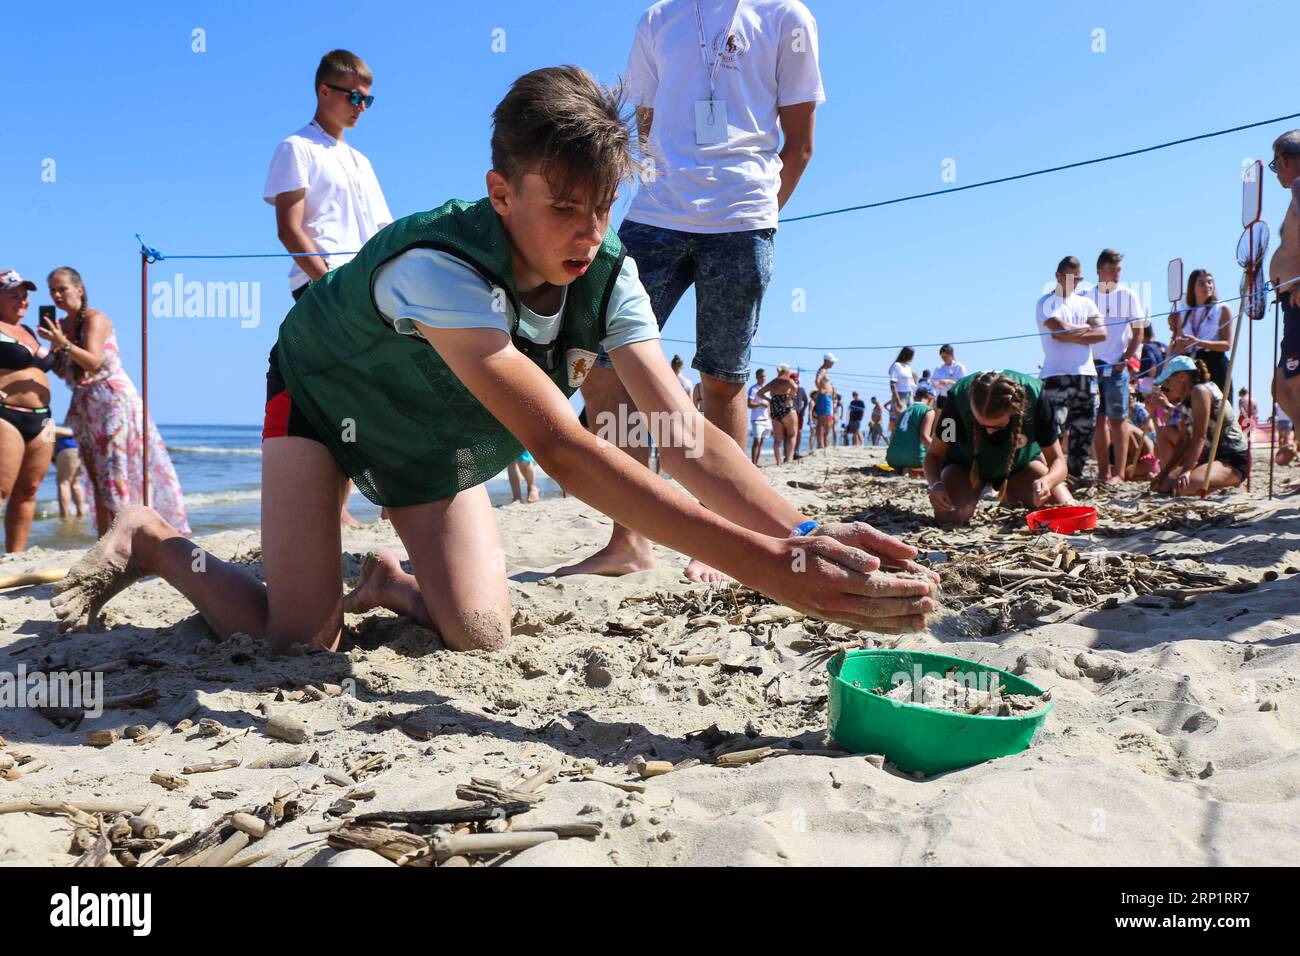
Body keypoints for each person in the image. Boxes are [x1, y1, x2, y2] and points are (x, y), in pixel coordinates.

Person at [51, 67, 936, 652]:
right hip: (326, 395)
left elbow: (678, 432)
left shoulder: (609, 271)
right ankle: (156, 540)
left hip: (431, 438)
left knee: (478, 631)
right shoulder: (438, 267)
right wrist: (767, 569)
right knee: (294, 641)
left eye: (604, 208)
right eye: (564, 209)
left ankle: (392, 580)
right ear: (502, 193)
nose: (587, 235)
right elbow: (561, 449)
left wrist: (807, 537)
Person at [562, 0, 825, 582]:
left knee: (723, 380)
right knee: (604, 368)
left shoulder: (787, 17)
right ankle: (627, 538)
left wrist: (758, 215)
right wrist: (671, 182)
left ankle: (721, 543)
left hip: (742, 217)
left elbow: (800, 143)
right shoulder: (658, 18)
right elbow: (646, 122)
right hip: (656, 213)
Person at [264, 49, 394, 529]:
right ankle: (335, 511)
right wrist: (330, 284)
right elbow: (289, 229)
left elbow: (383, 233)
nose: (361, 107)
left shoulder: (360, 159)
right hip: (324, 291)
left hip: (368, 292)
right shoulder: (295, 147)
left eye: (368, 99)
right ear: (324, 91)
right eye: (353, 96)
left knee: (375, 393)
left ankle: (385, 502)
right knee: (333, 396)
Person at [42, 268, 191, 539]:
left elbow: (94, 362)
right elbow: (69, 373)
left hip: (112, 402)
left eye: (61, 288)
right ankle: (105, 544)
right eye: (52, 290)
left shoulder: (95, 319)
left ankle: (128, 544)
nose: (56, 295)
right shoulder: (62, 326)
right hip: (85, 406)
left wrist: (62, 344)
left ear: (79, 289)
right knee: (97, 480)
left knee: (116, 475)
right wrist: (53, 348)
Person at [924, 370, 1076, 526]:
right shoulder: (958, 400)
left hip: (1020, 466)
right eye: (982, 424)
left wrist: (1048, 481)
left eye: (998, 426)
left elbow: (1058, 461)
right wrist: (936, 485)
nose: (989, 431)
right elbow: (934, 455)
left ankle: (1012, 494)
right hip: (965, 466)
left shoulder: (1035, 396)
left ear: (1016, 410)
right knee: (950, 516)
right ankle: (1009, 495)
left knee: (1064, 512)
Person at [0, 269, 57, 552]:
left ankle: (14, 558)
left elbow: (52, 366)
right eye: (13, 295)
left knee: (29, 491)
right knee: (1, 491)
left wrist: (58, 344)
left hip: (42, 420)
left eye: (24, 296)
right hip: (5, 414)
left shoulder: (30, 331)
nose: (22, 301)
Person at [1037, 256, 1104, 481]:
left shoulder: (1086, 303)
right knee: (1053, 429)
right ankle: (1049, 475)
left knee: (1084, 430)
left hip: (1086, 374)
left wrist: (1071, 332)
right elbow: (1058, 331)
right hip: (1057, 375)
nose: (1076, 282)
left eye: (1079, 278)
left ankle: (1074, 475)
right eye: (1071, 278)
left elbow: (1102, 333)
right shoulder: (1046, 302)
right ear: (1058, 276)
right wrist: (1085, 330)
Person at [1085, 249, 1146, 486]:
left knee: (1119, 420)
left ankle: (1119, 473)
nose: (1117, 274)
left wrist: (1125, 359)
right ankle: (1103, 472)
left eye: (1119, 269)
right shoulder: (1087, 296)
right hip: (1092, 366)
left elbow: (1139, 331)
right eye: (1112, 270)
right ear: (1100, 271)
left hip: (1116, 366)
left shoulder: (1128, 295)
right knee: (1098, 421)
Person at [1151, 356, 1247, 495]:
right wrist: (1164, 473)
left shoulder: (1200, 391)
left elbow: (1199, 437)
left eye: (1168, 380)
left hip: (1231, 459)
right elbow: (1183, 441)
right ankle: (1208, 482)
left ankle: (1229, 483)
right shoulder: (1185, 401)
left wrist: (1186, 471)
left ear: (1182, 376)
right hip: (1209, 458)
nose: (1167, 386)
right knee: (1162, 486)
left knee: (1181, 488)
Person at [1268, 130, 1300, 430]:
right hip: (1290, 302)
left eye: (1275, 164)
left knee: (1295, 385)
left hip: (1298, 298)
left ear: (1285, 160)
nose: (1275, 171)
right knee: (1282, 385)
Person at [1170, 269, 1232, 397]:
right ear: (1192, 287)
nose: (1207, 286)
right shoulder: (1185, 312)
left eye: (1210, 282)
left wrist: (1198, 342)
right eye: (1201, 283)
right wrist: (1178, 344)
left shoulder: (1221, 309)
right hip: (1191, 365)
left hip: (1215, 363)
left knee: (1216, 409)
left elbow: (1227, 344)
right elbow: (1179, 346)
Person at [885, 383, 936, 473]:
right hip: (913, 457)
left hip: (892, 457)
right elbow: (924, 437)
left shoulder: (905, 411)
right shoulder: (928, 411)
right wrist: (939, 451)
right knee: (939, 466)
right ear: (931, 399)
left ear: (915, 397)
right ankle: (911, 470)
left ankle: (902, 468)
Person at [755, 364, 799, 464]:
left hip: (775, 408)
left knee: (777, 439)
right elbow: (795, 388)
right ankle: (788, 459)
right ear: (787, 371)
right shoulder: (787, 380)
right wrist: (788, 399)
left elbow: (759, 393)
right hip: (787, 407)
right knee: (792, 434)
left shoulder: (773, 382)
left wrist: (769, 400)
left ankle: (778, 462)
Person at [54, 425, 88, 519]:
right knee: (75, 482)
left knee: (64, 483)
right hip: (81, 450)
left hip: (68, 450)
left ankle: (64, 515)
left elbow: (53, 430)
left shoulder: (60, 429)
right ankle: (81, 513)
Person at [887, 347, 916, 436]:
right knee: (898, 421)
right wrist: (898, 400)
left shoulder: (908, 367)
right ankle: (895, 444)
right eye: (912, 355)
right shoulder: (897, 365)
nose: (913, 358)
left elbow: (912, 384)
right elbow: (893, 383)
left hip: (909, 395)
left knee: (909, 420)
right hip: (900, 395)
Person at [747, 368, 772, 465]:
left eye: (764, 376)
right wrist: (760, 404)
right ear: (757, 377)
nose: (763, 378)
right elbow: (749, 404)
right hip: (756, 419)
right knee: (756, 440)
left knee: (761, 441)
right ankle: (753, 463)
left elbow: (769, 405)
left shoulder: (767, 390)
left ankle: (756, 462)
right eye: (761, 376)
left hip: (766, 419)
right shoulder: (753, 389)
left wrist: (770, 417)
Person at [931, 344, 966, 410]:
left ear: (951, 355)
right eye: (942, 357)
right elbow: (933, 381)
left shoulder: (959, 367)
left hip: (955, 397)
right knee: (942, 418)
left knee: (953, 418)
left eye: (946, 356)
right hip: (942, 397)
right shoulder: (939, 368)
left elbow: (962, 383)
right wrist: (937, 384)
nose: (944, 359)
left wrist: (949, 381)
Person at [813, 378, 835, 451]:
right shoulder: (830, 391)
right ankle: (825, 446)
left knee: (823, 429)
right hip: (827, 413)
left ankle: (822, 445)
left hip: (825, 413)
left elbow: (816, 381)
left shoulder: (823, 391)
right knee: (826, 431)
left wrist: (820, 374)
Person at [791, 371, 808, 459]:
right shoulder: (789, 389)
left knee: (799, 432)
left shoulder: (801, 390)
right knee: (791, 433)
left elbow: (806, 401)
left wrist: (803, 410)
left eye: (797, 379)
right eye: (794, 379)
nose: (796, 381)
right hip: (790, 414)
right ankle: (789, 452)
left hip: (799, 414)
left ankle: (796, 451)